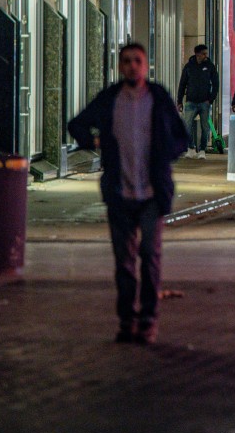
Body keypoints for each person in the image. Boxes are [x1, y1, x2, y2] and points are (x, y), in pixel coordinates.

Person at [67, 43, 189, 344]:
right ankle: (127, 320)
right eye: (126, 61)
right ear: (120, 66)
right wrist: (95, 141)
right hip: (120, 194)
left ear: (146, 65)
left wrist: (163, 155)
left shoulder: (158, 98)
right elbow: (77, 124)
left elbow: (181, 138)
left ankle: (148, 319)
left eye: (137, 61)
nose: (132, 66)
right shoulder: (110, 99)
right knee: (124, 262)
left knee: (149, 256)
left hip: (151, 194)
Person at [176, 43, 218, 160]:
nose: (206, 56)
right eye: (203, 54)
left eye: (206, 53)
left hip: (204, 102)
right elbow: (182, 84)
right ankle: (191, 148)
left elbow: (215, 84)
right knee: (186, 125)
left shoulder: (210, 66)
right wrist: (179, 101)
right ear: (197, 54)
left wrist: (211, 99)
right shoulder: (189, 66)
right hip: (191, 101)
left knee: (205, 127)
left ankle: (202, 150)